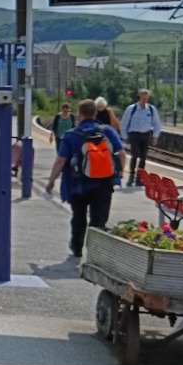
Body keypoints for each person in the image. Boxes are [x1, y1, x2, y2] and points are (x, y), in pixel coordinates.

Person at [44, 99, 125, 257]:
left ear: (79, 115)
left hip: (77, 184)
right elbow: (121, 154)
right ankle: (94, 252)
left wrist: (51, 181)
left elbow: (61, 160)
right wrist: (119, 174)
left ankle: (77, 247)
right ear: (95, 113)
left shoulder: (71, 135)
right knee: (99, 218)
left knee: (78, 216)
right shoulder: (107, 131)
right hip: (103, 183)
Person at [119, 88, 162, 187]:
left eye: (146, 99)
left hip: (146, 134)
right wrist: (124, 136)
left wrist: (155, 136)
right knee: (134, 155)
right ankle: (131, 176)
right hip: (134, 134)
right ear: (139, 97)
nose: (144, 101)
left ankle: (139, 178)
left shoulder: (151, 109)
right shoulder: (131, 109)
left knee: (143, 157)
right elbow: (124, 123)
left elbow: (157, 123)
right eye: (143, 99)